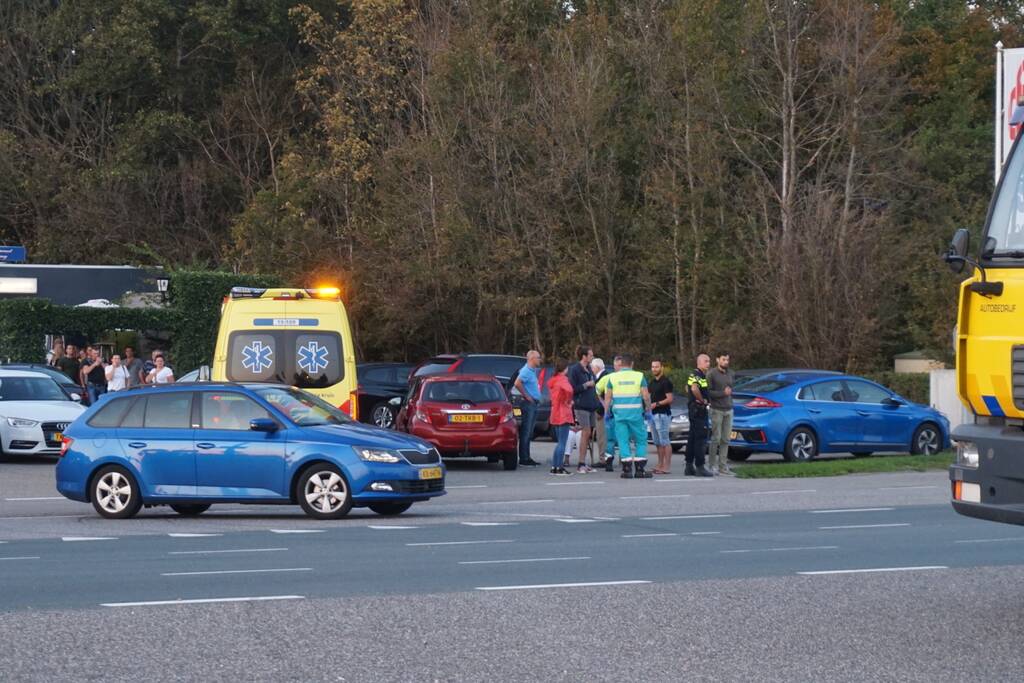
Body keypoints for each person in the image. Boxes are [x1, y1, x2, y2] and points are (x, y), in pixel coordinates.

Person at [603, 354, 654, 479]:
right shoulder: (639, 376)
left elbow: (608, 397)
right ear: (632, 364)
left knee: (623, 441)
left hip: (619, 415)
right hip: (636, 415)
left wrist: (606, 412)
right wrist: (648, 410)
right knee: (640, 441)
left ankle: (626, 470)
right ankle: (640, 469)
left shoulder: (612, 377)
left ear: (621, 364)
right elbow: (646, 396)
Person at [567, 345, 599, 474]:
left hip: (591, 405)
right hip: (581, 406)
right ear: (584, 356)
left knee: (589, 434)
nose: (592, 357)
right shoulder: (575, 370)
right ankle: (581, 463)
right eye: (590, 355)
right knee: (585, 432)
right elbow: (572, 389)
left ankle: (584, 463)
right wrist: (586, 385)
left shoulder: (589, 369)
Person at [685, 353, 714, 477]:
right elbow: (694, 389)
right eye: (706, 361)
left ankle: (689, 466)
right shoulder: (697, 374)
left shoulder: (696, 374)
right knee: (700, 440)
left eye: (709, 361)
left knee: (692, 438)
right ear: (699, 362)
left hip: (694, 410)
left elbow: (687, 387)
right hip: (699, 410)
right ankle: (700, 466)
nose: (708, 363)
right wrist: (703, 400)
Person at [707, 351, 735, 475]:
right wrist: (722, 393)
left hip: (729, 409)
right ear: (717, 360)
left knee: (726, 439)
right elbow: (708, 392)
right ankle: (712, 465)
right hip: (716, 409)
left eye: (727, 360)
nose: (726, 362)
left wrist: (728, 394)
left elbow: (731, 390)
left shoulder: (731, 373)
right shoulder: (711, 374)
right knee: (716, 438)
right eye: (723, 359)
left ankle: (723, 466)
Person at [513, 350, 543, 466]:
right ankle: (524, 458)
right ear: (532, 359)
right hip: (528, 404)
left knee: (529, 432)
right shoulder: (526, 371)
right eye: (538, 357)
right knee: (526, 432)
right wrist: (527, 396)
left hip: (534, 403)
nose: (540, 359)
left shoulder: (532, 370)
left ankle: (527, 456)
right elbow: (517, 383)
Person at [596, 355, 623, 472]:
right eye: (618, 365)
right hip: (619, 413)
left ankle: (610, 464)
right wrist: (603, 404)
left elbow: (597, 390)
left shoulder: (608, 377)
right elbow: (596, 391)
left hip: (613, 413)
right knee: (620, 438)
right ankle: (623, 462)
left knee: (612, 440)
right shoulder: (609, 377)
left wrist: (603, 404)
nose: (619, 367)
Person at [547, 359, 574, 475]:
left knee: (559, 442)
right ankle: (560, 468)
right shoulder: (563, 379)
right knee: (563, 442)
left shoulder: (553, 380)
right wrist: (568, 400)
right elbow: (569, 389)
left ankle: (554, 466)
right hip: (563, 412)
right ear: (565, 369)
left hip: (555, 412)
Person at [648, 358, 674, 474]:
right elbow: (648, 397)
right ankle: (660, 464)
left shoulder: (666, 382)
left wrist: (656, 404)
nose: (654, 369)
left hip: (663, 414)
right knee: (657, 442)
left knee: (665, 441)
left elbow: (670, 399)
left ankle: (666, 466)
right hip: (652, 415)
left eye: (656, 367)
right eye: (653, 367)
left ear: (662, 367)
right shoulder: (652, 382)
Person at [590, 358, 608, 467]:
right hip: (603, 411)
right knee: (602, 436)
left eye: (592, 367)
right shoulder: (603, 376)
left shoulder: (604, 377)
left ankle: (603, 459)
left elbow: (606, 397)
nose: (591, 369)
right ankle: (604, 458)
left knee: (602, 436)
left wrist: (600, 412)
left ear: (597, 367)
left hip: (602, 412)